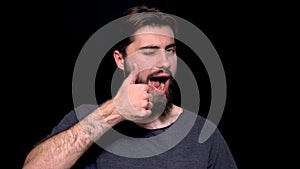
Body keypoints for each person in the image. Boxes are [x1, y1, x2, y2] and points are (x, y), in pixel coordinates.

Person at [23, 5, 237, 169]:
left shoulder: (202, 133)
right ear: (120, 60)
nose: (164, 61)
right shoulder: (90, 117)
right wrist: (114, 111)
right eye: (149, 51)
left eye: (170, 50)